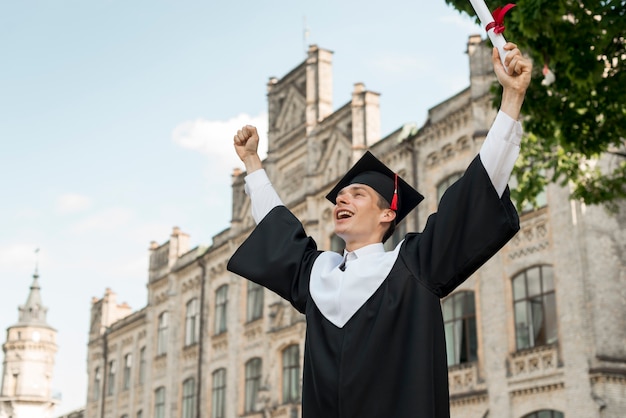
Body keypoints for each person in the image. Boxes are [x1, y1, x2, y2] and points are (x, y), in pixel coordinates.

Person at [227, 43, 532, 418]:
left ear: (388, 213)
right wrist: (254, 163)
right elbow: (277, 227)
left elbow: (474, 192)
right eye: (340, 196)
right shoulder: (316, 276)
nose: (342, 200)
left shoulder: (414, 267)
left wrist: (512, 98)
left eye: (357, 193)